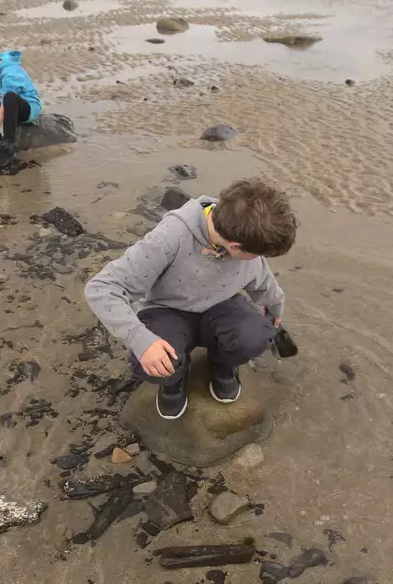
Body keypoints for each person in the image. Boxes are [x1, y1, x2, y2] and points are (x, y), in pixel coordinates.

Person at [85, 179, 297, 420]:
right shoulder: (169, 237)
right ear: (236, 247)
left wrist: (276, 306)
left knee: (257, 333)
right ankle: (174, 380)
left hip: (221, 307)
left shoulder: (242, 228)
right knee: (150, 364)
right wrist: (141, 341)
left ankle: (222, 363)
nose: (259, 259)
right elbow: (102, 287)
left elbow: (261, 278)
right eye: (256, 254)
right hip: (167, 310)